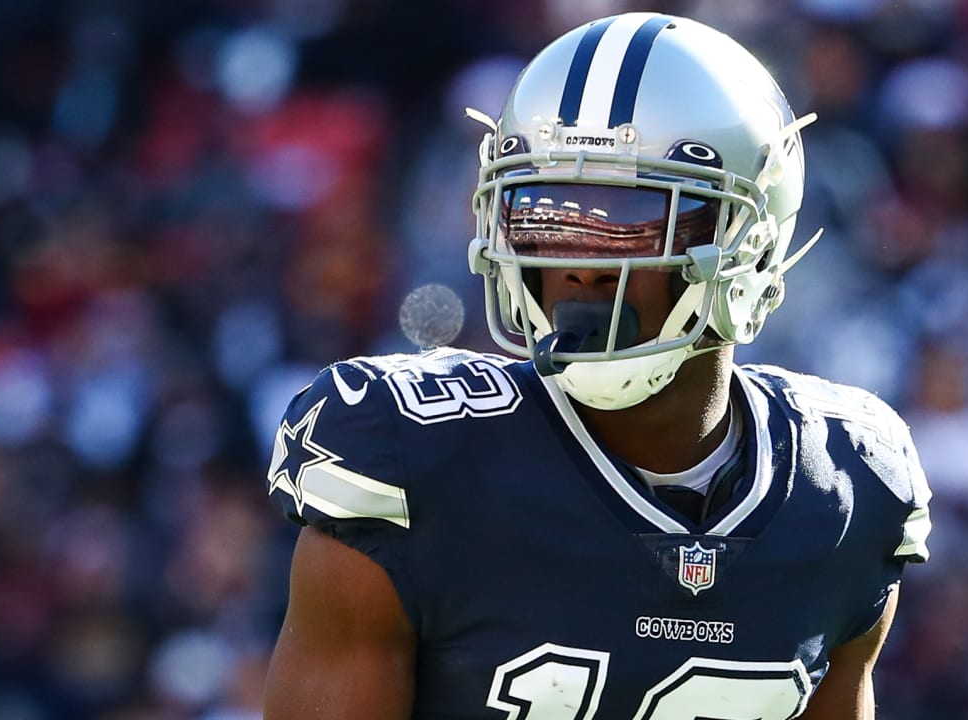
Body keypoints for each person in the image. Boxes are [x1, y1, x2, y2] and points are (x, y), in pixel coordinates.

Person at [262, 12, 931, 719]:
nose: (581, 267)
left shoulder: (845, 490)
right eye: (546, 215)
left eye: (633, 220)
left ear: (748, 244)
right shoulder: (411, 462)